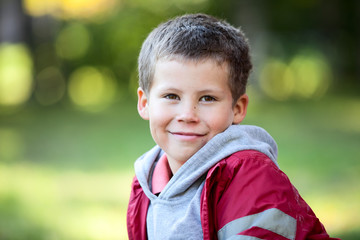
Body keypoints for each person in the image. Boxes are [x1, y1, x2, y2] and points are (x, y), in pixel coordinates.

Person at [127, 13, 339, 240]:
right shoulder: (145, 183)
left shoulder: (250, 177)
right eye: (171, 96)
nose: (188, 115)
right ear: (145, 103)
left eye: (207, 98)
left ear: (237, 108)